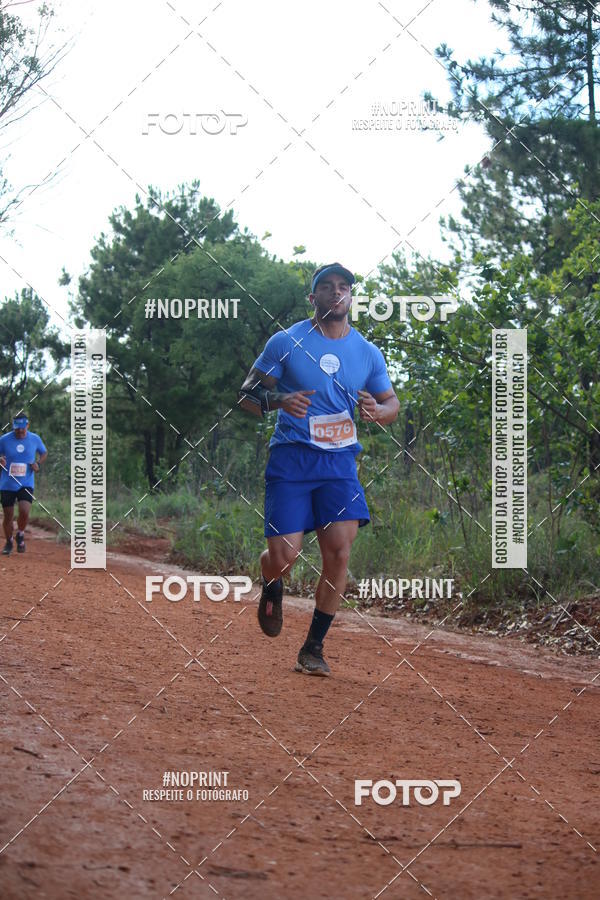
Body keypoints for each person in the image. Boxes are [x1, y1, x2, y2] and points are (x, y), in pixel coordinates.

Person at [239, 262, 399, 676]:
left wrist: (377, 410)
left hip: (339, 463)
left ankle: (313, 647)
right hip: (292, 458)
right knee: (284, 554)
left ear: (350, 297)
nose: (335, 293)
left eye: (343, 287)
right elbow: (245, 395)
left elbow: (391, 403)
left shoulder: (367, 352)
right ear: (313, 298)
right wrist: (278, 402)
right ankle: (271, 579)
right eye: (326, 287)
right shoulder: (287, 341)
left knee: (339, 551)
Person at [0, 415, 47, 556]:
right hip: (7, 483)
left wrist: (38, 463)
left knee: (25, 511)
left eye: (22, 428)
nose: (19, 431)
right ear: (13, 427)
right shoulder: (4, 440)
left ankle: (20, 533)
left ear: (28, 425)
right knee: (8, 516)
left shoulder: (35, 439)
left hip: (26, 482)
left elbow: (44, 453)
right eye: (17, 429)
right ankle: (9, 541)